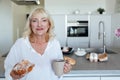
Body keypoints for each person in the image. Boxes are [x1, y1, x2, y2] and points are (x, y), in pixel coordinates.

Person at [4, 7, 72, 80]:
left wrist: (65, 69)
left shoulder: (55, 43)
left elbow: (59, 71)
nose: (39, 25)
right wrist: (13, 75)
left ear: (49, 24)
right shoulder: (20, 44)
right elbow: (8, 68)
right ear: (30, 24)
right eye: (34, 21)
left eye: (44, 20)